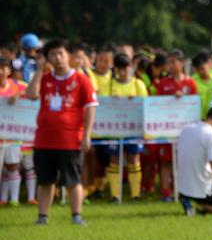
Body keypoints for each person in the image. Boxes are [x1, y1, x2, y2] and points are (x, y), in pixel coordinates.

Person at [25, 39, 98, 226]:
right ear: (47, 58)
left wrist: (87, 135)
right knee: (45, 181)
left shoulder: (81, 79)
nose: (57, 58)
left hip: (70, 139)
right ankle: (42, 217)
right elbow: (31, 95)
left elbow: (91, 107)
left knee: (73, 180)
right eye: (52, 55)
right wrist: (40, 71)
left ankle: (76, 216)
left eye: (61, 54)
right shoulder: (45, 78)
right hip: (44, 140)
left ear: (69, 56)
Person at [104, 53, 148, 201]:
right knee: (114, 159)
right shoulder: (109, 85)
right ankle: (115, 195)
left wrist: (134, 101)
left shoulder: (138, 84)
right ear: (115, 69)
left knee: (134, 159)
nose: (123, 72)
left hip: (133, 128)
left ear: (131, 67)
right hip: (114, 128)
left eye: (126, 68)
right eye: (120, 68)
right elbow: (102, 104)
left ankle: (135, 194)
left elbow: (146, 105)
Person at [155, 49, 198, 202]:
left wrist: (184, 98)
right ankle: (166, 192)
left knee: (182, 161)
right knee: (166, 161)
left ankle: (181, 191)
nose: (171, 65)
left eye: (174, 62)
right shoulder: (163, 83)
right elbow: (157, 105)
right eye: (169, 62)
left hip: (185, 130)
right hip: (167, 129)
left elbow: (194, 104)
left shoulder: (190, 82)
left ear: (181, 63)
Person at [0, 58, 28, 206]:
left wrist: (19, 96)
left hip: (13, 135)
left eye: (4, 68)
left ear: (9, 71)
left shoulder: (18, 86)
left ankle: (14, 200)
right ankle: (2, 199)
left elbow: (33, 94)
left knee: (12, 166)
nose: (1, 72)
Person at [191, 51, 212, 120]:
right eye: (197, 70)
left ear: (210, 64)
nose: (200, 72)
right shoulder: (192, 81)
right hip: (197, 119)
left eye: (202, 68)